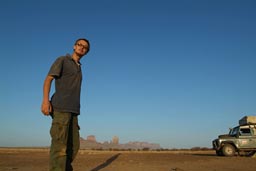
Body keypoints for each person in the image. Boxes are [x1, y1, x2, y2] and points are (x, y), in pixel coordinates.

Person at [41, 38, 90, 171]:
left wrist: (75, 115)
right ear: (74, 47)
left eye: (85, 47)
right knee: (60, 147)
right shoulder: (62, 60)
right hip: (61, 108)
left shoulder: (79, 68)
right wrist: (45, 101)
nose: (82, 47)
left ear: (86, 52)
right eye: (79, 45)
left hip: (73, 112)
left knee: (73, 146)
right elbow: (48, 79)